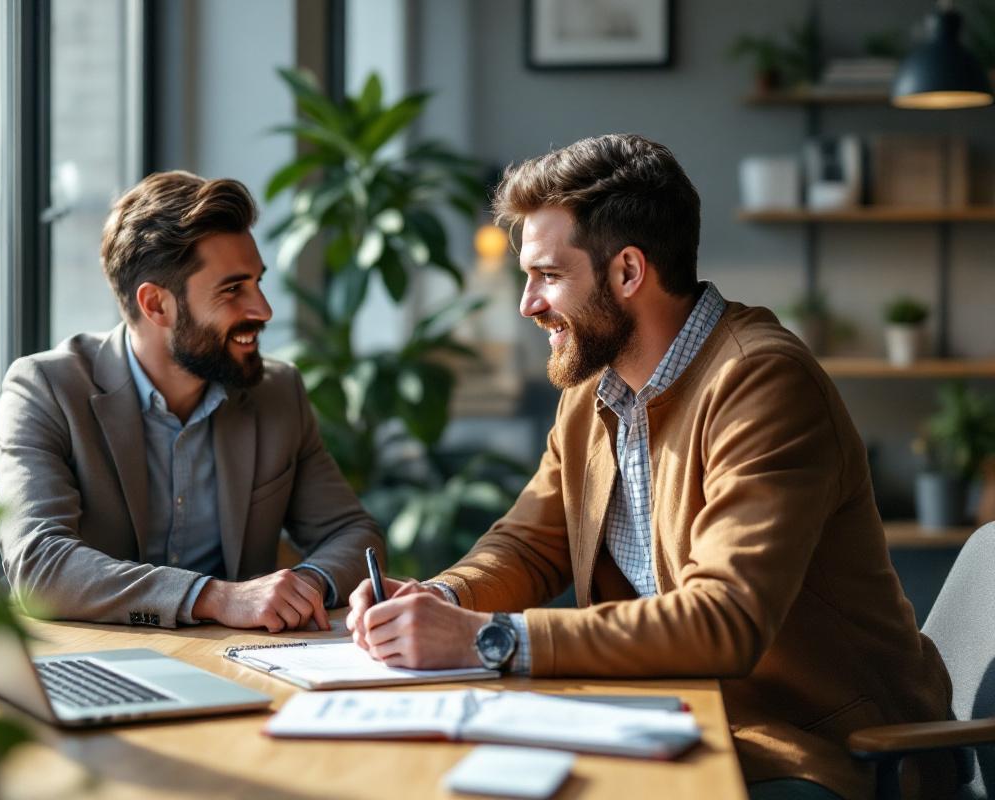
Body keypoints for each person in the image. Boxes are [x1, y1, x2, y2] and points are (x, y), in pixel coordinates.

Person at [346, 134, 952, 799]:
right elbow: (530, 544)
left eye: (548, 275)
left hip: (822, 753)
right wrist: (442, 598)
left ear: (628, 272)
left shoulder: (762, 383)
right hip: (680, 722)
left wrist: (487, 640)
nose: (528, 304)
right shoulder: (592, 390)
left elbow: (723, 618)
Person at [0, 170, 383, 632]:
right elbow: (39, 567)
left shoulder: (277, 393)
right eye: (232, 289)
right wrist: (214, 597)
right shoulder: (48, 389)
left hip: (240, 664)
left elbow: (355, 535)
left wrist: (302, 587)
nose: (263, 310)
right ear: (156, 305)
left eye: (257, 283)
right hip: (100, 664)